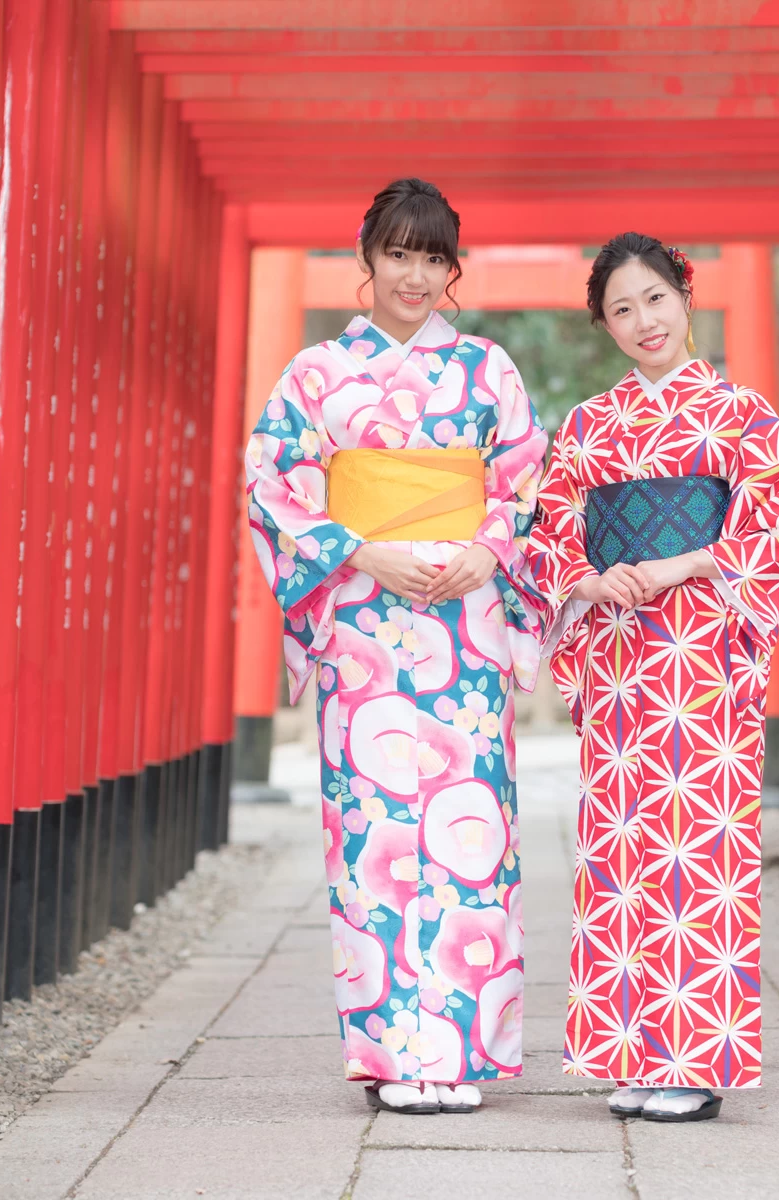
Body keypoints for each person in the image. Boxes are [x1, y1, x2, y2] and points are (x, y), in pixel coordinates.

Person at [245, 178, 547, 1114]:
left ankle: (458, 1055)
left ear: (452, 270)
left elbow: (530, 483)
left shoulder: (489, 370)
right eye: (399, 254)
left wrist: (487, 550)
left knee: (472, 834)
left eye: (433, 258)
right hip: (364, 628)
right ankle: (388, 1056)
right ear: (366, 262)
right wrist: (359, 548)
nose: (414, 275)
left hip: (462, 624)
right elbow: (272, 486)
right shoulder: (315, 376)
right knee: (370, 840)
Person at [526, 232, 779, 1122]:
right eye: (621, 309)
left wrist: (689, 562)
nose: (642, 320)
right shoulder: (585, 426)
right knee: (617, 844)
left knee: (698, 844)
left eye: (655, 298)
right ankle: (629, 1051)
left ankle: (693, 1060)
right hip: (616, 652)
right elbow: (546, 534)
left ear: (685, 296)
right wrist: (582, 576)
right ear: (603, 325)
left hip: (702, 651)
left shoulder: (744, 414)